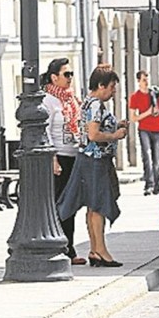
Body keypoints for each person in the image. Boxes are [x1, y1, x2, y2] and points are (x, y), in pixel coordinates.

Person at [57, 66, 128, 267]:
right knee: (98, 206)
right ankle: (101, 250)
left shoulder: (87, 102)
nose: (114, 91)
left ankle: (95, 250)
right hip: (96, 160)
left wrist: (115, 125)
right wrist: (115, 135)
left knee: (92, 206)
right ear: (100, 85)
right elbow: (93, 135)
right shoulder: (96, 105)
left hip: (88, 159)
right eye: (112, 87)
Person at [40, 58, 86, 266]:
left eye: (71, 74)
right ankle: (63, 248)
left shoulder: (71, 99)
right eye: (66, 74)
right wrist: (53, 159)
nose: (69, 78)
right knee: (60, 204)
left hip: (74, 155)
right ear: (54, 77)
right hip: (59, 158)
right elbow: (46, 131)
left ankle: (69, 246)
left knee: (71, 205)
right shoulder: (48, 100)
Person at [128, 70, 159, 196]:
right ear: (138, 81)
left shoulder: (156, 94)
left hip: (158, 129)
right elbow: (133, 118)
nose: (146, 82)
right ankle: (149, 184)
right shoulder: (135, 97)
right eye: (143, 79)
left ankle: (156, 184)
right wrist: (148, 112)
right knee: (147, 156)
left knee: (157, 159)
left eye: (147, 78)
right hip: (144, 130)